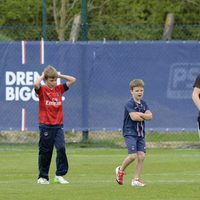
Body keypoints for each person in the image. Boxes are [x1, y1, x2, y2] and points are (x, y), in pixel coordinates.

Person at [34, 65, 76, 184]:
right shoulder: (42, 90)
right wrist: (43, 75)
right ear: (45, 80)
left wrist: (59, 75)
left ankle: (59, 175)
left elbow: (73, 80)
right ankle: (42, 177)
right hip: (45, 125)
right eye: (51, 80)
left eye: (55, 80)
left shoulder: (59, 89)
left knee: (61, 148)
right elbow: (35, 85)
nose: (53, 82)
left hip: (58, 126)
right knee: (45, 151)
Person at [115, 79, 152, 186]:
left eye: (141, 90)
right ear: (132, 91)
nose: (140, 92)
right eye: (137, 90)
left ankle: (136, 179)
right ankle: (120, 170)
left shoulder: (144, 104)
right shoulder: (129, 103)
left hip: (140, 134)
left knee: (141, 156)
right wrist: (143, 115)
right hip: (130, 132)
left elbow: (150, 116)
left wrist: (141, 115)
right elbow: (134, 117)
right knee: (132, 156)